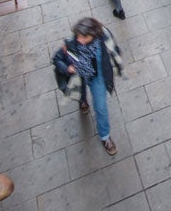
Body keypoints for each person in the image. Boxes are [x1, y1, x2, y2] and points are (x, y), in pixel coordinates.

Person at [51, 18, 123, 155]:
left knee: (101, 107)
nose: (80, 40)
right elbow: (56, 59)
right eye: (78, 36)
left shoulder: (104, 36)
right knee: (80, 94)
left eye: (84, 37)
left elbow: (114, 48)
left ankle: (105, 136)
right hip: (79, 77)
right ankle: (83, 101)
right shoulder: (71, 43)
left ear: (94, 35)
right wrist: (67, 69)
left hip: (98, 77)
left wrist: (117, 56)